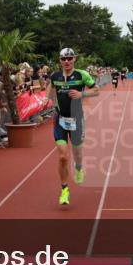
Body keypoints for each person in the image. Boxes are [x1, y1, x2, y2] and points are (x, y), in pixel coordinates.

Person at [49, 48, 99, 206]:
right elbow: (50, 87)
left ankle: (78, 167)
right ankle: (64, 190)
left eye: (70, 58)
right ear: (60, 61)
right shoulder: (55, 76)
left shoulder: (81, 75)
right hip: (60, 119)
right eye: (64, 59)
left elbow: (96, 90)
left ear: (74, 59)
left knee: (77, 153)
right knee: (63, 156)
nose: (67, 61)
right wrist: (46, 99)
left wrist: (82, 94)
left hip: (76, 119)